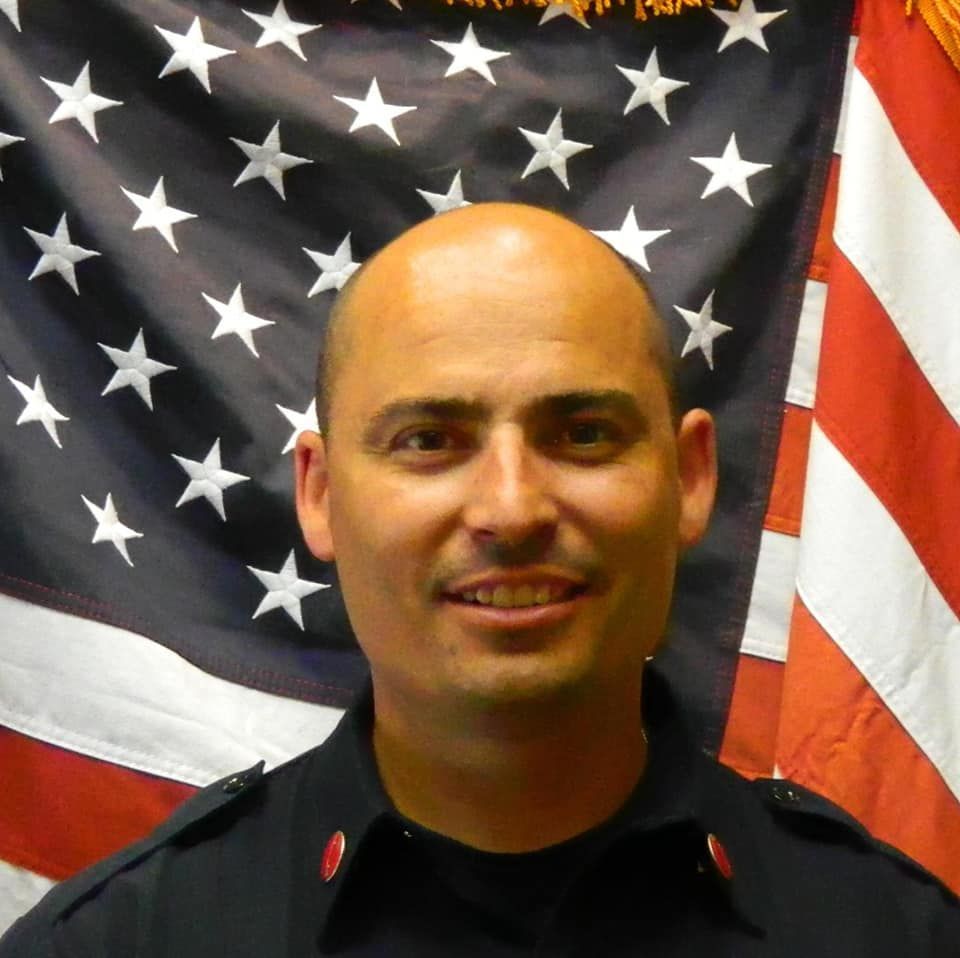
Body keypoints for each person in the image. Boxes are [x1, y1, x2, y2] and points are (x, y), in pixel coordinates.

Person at [2, 203, 959, 956]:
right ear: (323, 496)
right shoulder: (122, 943)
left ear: (692, 479)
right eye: (430, 441)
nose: (510, 510)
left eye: (583, 434)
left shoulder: (894, 936)